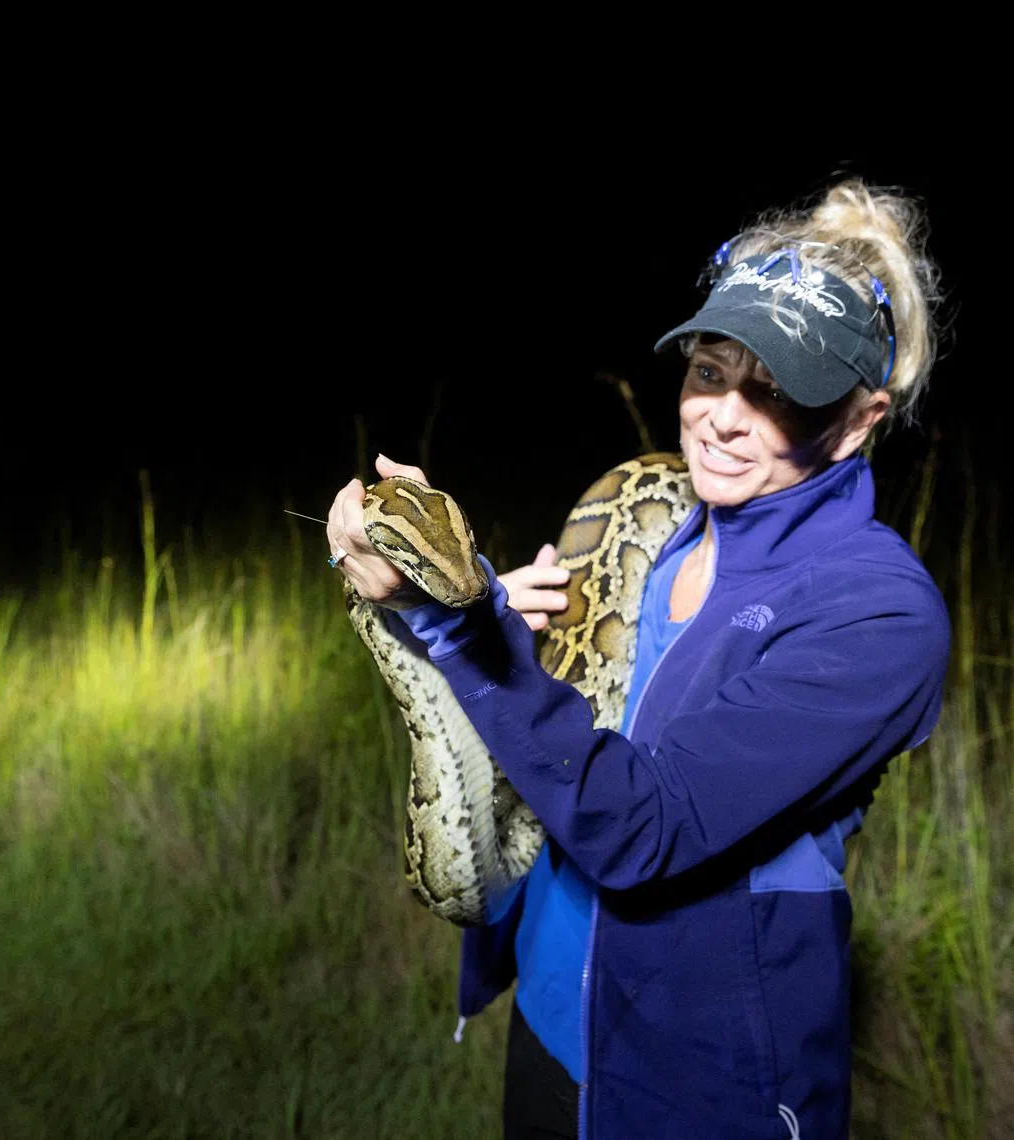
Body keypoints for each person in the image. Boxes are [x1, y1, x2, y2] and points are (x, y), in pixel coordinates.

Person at [324, 178, 950, 1139]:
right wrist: (470, 610)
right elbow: (555, 743)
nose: (723, 417)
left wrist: (463, 632)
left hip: (702, 1088)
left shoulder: (878, 614)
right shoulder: (648, 521)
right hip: (549, 1022)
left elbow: (644, 826)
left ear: (863, 418)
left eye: (778, 391)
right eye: (710, 372)